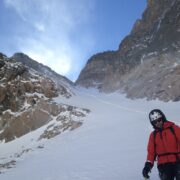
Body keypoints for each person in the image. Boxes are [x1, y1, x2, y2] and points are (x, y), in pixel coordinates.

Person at [142, 109, 180, 180]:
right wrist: (148, 166)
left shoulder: (174, 129)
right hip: (163, 165)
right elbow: (151, 153)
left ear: (163, 118)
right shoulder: (153, 135)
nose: (158, 123)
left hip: (178, 161)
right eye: (155, 122)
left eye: (159, 120)